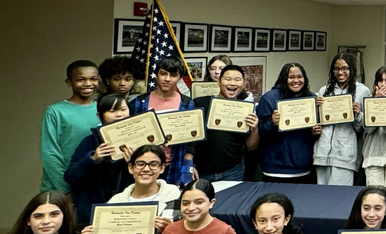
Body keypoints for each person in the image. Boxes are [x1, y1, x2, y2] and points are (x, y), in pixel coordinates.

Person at [63, 93, 133, 225]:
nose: (119, 115)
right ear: (99, 116)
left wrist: (134, 164)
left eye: (123, 110)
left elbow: (153, 176)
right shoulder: (89, 142)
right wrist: (93, 159)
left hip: (128, 213)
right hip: (91, 215)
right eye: (112, 111)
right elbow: (70, 177)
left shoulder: (139, 142)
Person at [129, 56, 197, 185]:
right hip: (145, 167)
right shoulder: (139, 102)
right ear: (156, 75)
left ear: (180, 78)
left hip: (174, 164)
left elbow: (191, 140)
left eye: (173, 75)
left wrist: (187, 167)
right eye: (163, 74)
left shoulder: (186, 103)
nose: (167, 79)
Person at [40, 60, 102, 193]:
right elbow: (50, 153)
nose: (88, 84)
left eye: (93, 79)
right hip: (59, 188)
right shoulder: (55, 111)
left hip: (92, 188)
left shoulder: (103, 109)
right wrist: (65, 189)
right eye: (80, 79)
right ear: (69, 82)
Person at [256, 63, 322, 184]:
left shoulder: (312, 98)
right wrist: (273, 123)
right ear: (283, 79)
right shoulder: (269, 98)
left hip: (304, 168)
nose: (296, 80)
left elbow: (313, 131)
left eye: (299, 77)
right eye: (291, 77)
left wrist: (314, 132)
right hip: (275, 169)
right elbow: (259, 132)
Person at [193, 65, 259, 182]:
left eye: (237, 80)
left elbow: (251, 146)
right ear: (218, 82)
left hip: (232, 172)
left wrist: (254, 129)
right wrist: (190, 165)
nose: (232, 83)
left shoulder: (246, 109)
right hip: (201, 173)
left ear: (243, 84)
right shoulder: (200, 103)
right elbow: (189, 139)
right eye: (227, 79)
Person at [314, 53, 369, 186]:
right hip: (322, 154)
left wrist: (357, 115)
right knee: (321, 195)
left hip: (345, 155)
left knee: (339, 197)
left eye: (345, 68)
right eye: (336, 69)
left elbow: (365, 128)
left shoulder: (362, 91)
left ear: (352, 70)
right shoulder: (324, 90)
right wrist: (315, 109)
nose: (340, 72)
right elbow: (317, 122)